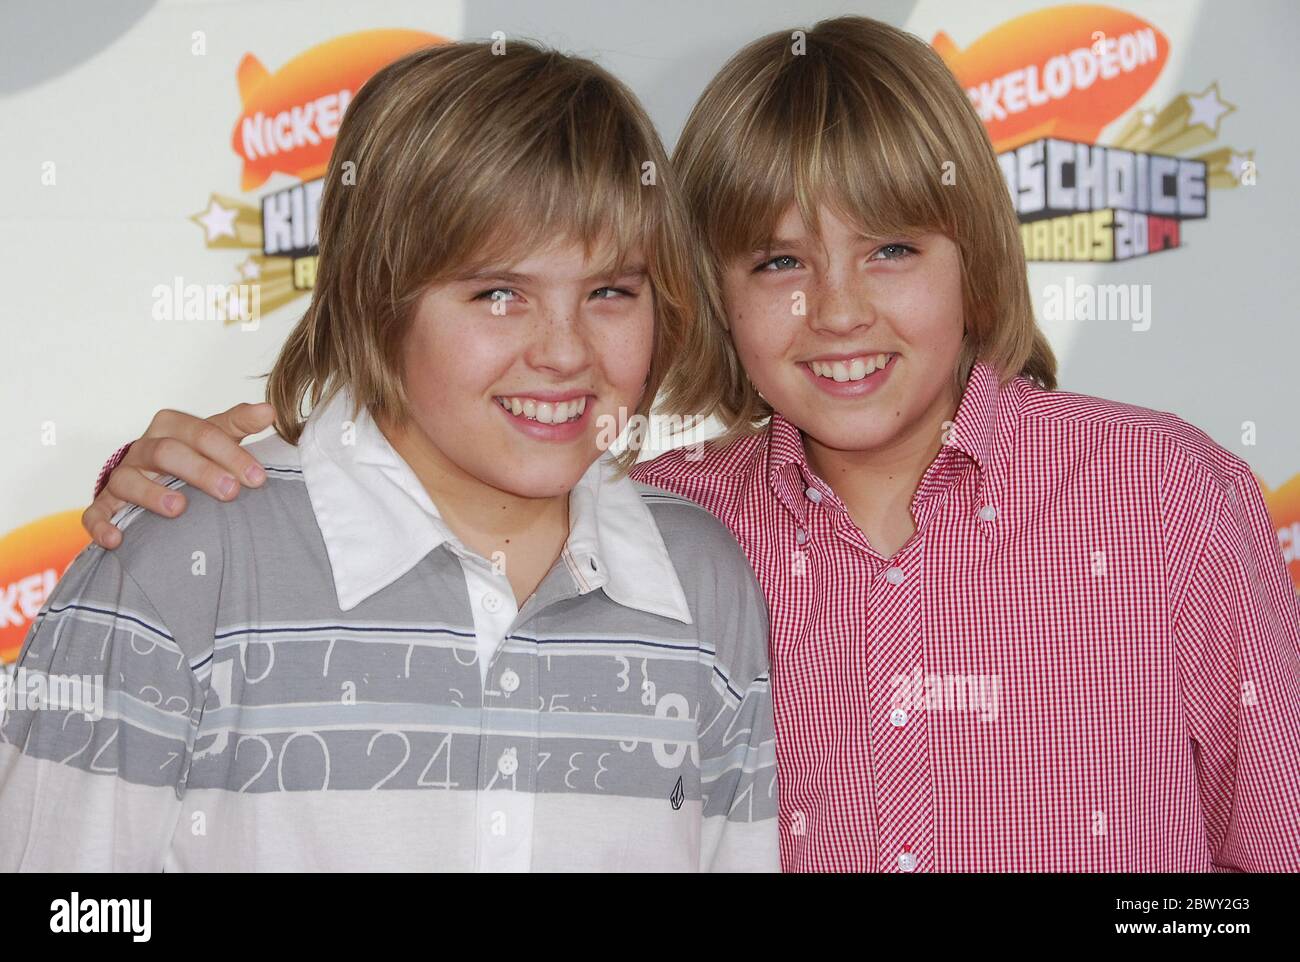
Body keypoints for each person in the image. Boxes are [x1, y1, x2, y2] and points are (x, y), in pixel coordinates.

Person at [75, 16, 1300, 872]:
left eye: (891, 249)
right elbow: (413, 496)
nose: (837, 312)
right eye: (777, 261)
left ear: (973, 255)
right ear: (704, 293)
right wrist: (172, 496)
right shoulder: (658, 538)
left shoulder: (1168, 498)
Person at [0, 39, 778, 872]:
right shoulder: (185, 560)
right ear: (378, 301)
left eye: (611, 292)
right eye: (499, 295)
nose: (565, 352)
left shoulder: (700, 577)